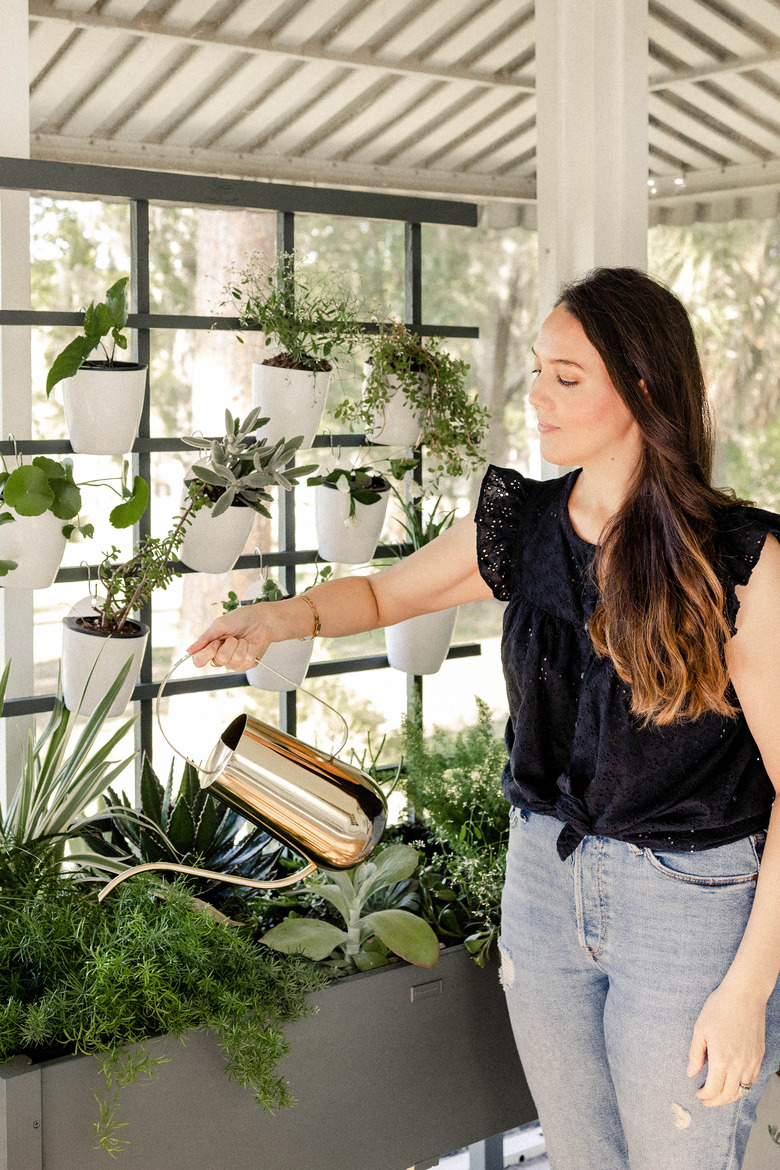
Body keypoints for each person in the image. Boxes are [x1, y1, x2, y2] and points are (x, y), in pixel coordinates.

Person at [188, 267, 780, 1170]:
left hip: (689, 905)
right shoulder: (523, 525)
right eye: (537, 370)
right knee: (584, 1156)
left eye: (566, 376)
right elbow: (385, 593)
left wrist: (747, 991)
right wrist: (280, 617)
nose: (536, 394)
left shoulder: (737, 560)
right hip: (543, 886)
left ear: (646, 388)